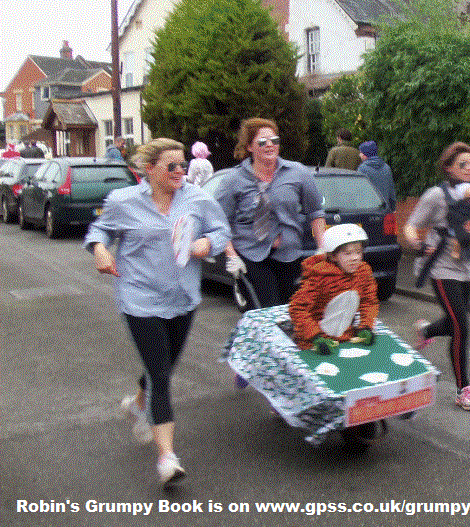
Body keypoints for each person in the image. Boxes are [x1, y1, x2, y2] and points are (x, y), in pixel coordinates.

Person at [85, 137, 230, 489]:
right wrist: (101, 250)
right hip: (140, 300)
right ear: (149, 170)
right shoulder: (123, 201)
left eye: (183, 165)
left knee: (163, 365)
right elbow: (99, 229)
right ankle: (168, 457)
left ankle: (138, 403)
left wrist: (207, 243)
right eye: (171, 167)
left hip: (183, 298)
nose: (180, 172)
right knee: (162, 375)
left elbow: (221, 229)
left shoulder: (197, 198)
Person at [402, 142, 470, 412]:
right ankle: (463, 389)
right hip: (442, 266)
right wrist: (417, 245)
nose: (469, 168)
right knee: (462, 327)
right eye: (462, 164)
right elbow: (411, 226)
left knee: (457, 320)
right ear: (448, 167)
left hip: (468, 265)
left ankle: (426, 330)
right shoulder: (436, 195)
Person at [215, 118, 325, 309]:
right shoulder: (233, 179)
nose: (269, 145)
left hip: (289, 254)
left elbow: (315, 211)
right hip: (250, 255)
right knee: (267, 309)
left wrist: (322, 246)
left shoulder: (297, 173)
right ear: (249, 146)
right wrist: (232, 256)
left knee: (291, 312)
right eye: (262, 142)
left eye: (274, 140)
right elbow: (219, 221)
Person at [288, 224, 379, 353]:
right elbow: (298, 308)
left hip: (346, 338)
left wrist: (366, 326)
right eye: (347, 253)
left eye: (359, 252)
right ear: (333, 256)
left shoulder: (363, 273)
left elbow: (369, 301)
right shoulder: (319, 277)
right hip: (315, 342)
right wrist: (314, 336)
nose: (355, 258)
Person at [357, 140, 396, 212]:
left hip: (367, 210)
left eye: (361, 153)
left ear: (365, 155)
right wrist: (393, 208)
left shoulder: (362, 169)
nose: (359, 155)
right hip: (384, 210)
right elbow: (391, 191)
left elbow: (359, 191)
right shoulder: (386, 167)